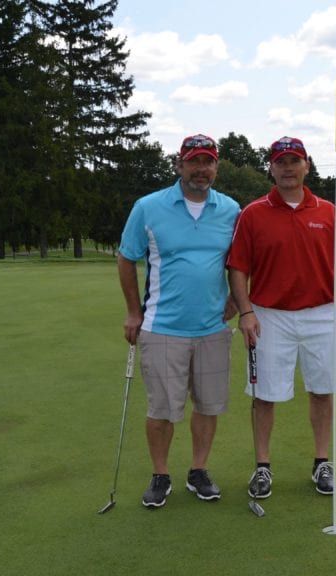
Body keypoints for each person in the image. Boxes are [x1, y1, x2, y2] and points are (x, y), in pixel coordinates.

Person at [227, 136, 336, 500]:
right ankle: (263, 467)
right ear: (271, 167)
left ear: (307, 166)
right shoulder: (253, 213)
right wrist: (246, 312)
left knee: (322, 390)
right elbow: (237, 269)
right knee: (264, 395)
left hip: (321, 315)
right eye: (280, 162)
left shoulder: (328, 211)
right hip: (268, 316)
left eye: (294, 161)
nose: (287, 168)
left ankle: (321, 462)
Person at [117, 134, 241, 508]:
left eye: (208, 162)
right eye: (193, 161)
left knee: (207, 406)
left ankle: (198, 470)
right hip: (162, 327)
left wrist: (237, 298)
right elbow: (127, 258)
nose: (200, 169)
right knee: (162, 410)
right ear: (179, 165)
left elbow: (240, 262)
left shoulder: (232, 209)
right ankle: (160, 474)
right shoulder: (148, 206)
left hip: (213, 329)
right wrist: (134, 311)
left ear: (216, 167)